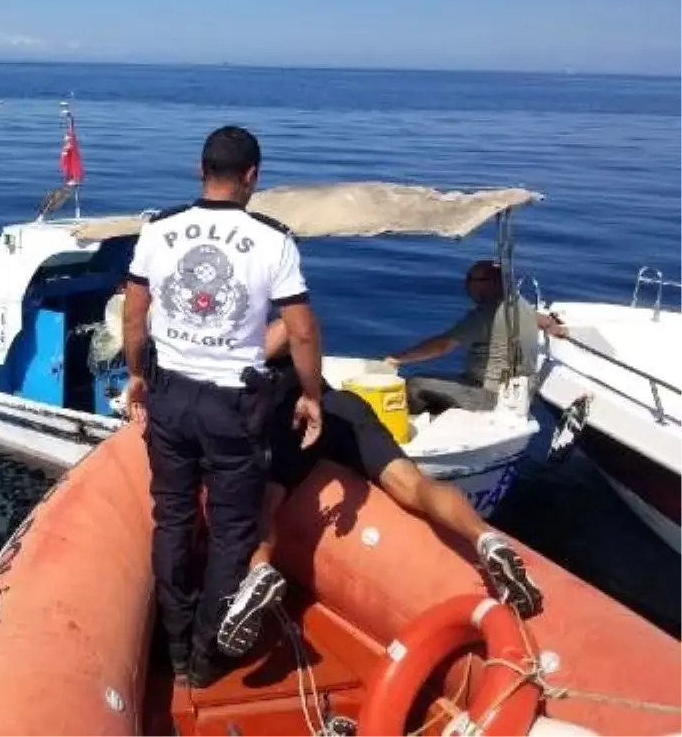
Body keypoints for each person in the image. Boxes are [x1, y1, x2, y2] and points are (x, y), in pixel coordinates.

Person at [122, 125, 324, 687]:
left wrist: (137, 376)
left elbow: (134, 318)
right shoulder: (272, 240)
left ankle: (176, 646)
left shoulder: (157, 230)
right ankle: (206, 660)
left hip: (169, 396)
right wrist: (310, 394)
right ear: (253, 176)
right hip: (233, 408)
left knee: (174, 518)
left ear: (199, 167)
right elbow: (302, 333)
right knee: (233, 532)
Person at [215, 317, 544, 659]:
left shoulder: (230, 354)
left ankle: (260, 572)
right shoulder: (273, 332)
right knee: (414, 483)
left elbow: (282, 329)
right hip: (343, 407)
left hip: (295, 421)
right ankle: (485, 537)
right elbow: (294, 327)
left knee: (264, 505)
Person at [384, 260, 568, 414]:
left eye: (471, 279)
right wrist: (555, 328)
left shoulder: (486, 314)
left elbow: (442, 346)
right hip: (520, 395)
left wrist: (398, 359)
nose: (466, 284)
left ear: (489, 283)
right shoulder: (520, 304)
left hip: (488, 396)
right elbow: (542, 320)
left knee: (415, 385)